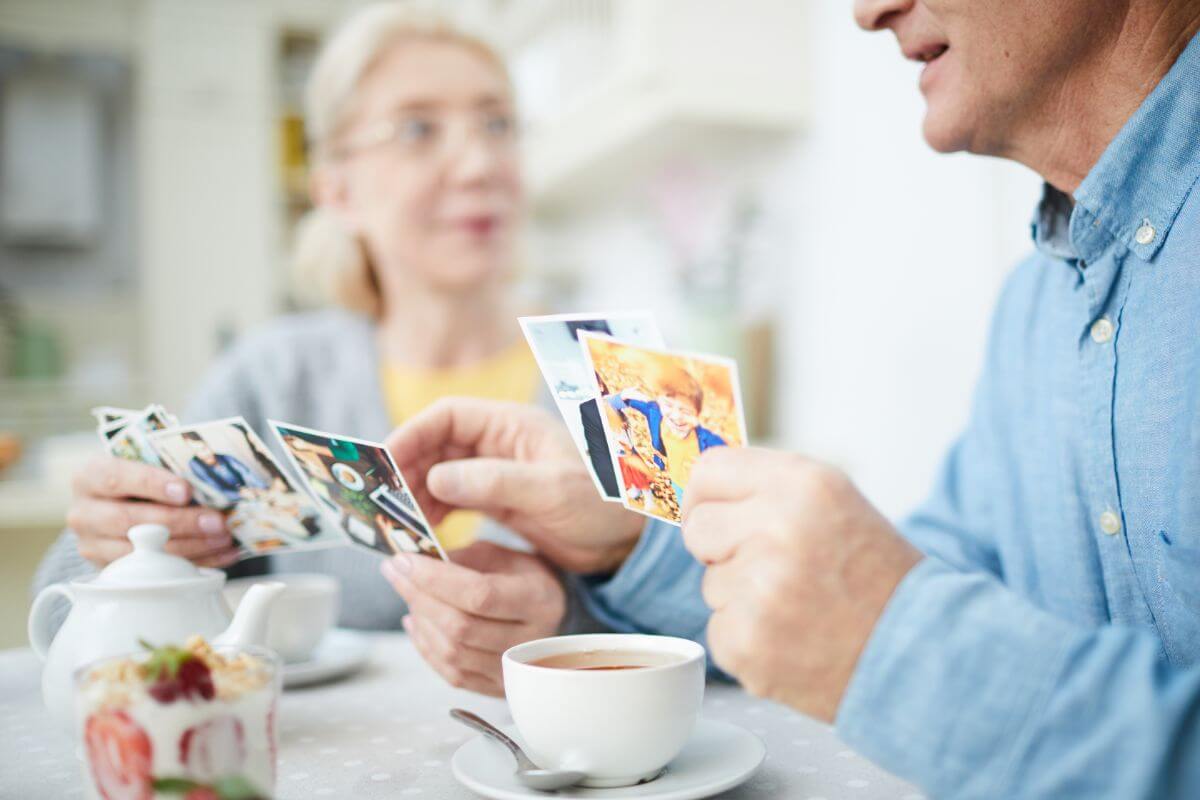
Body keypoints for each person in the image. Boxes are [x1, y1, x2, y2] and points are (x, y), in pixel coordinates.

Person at [383, 0, 1200, 795]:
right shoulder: (1034, 305)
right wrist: (627, 544)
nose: (867, 11)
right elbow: (918, 590)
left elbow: (894, 623)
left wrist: (897, 642)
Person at [33, 5, 581, 667]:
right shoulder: (271, 378)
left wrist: (568, 618)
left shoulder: (610, 378)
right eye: (417, 128)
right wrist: (116, 548)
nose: (479, 165)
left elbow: (719, 625)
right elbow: (60, 618)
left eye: (498, 123)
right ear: (337, 190)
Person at [182, 432, 270, 507]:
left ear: (207, 444)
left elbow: (246, 472)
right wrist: (239, 494)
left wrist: (261, 487)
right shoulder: (196, 465)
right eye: (197, 451)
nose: (205, 454)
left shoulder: (226, 458)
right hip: (227, 504)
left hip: (249, 497)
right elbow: (214, 488)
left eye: (204, 448)